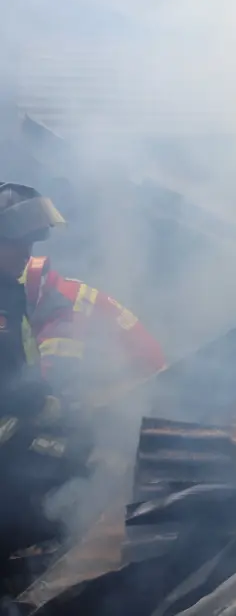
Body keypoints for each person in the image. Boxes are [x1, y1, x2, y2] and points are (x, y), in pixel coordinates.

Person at [0, 183, 91, 578]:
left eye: (31, 243)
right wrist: (37, 404)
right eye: (17, 243)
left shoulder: (10, 295)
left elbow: (19, 365)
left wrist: (48, 401)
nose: (27, 254)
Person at [21, 254, 167, 404]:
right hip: (136, 371)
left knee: (78, 412)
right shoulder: (62, 290)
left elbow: (59, 374)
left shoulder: (61, 306)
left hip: (143, 379)